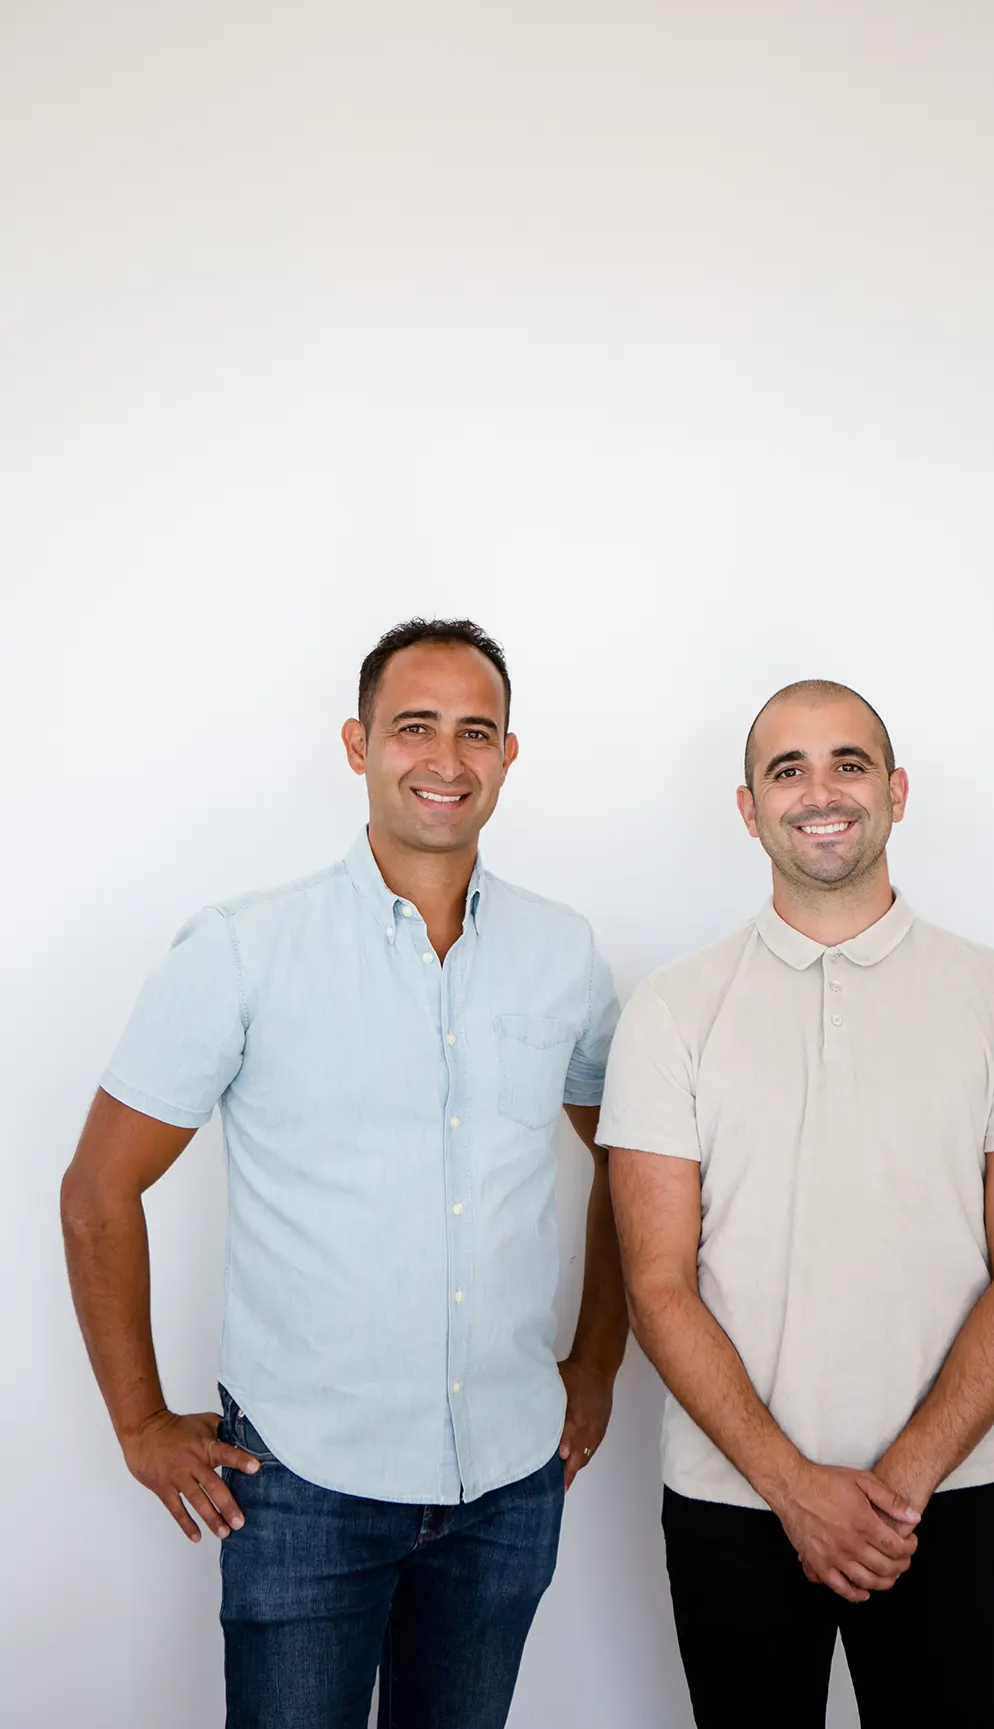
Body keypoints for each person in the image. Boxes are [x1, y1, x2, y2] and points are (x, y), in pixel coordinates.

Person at [61, 617, 627, 1729]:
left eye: (477, 731)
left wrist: (597, 1363)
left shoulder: (564, 953)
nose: (446, 760)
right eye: (415, 727)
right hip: (304, 1486)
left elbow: (630, 1168)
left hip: (510, 1486)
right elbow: (98, 1188)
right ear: (357, 744)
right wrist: (139, 1423)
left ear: (510, 754)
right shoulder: (242, 949)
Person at [598, 679, 994, 1729]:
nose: (820, 791)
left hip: (942, 1506)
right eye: (787, 769)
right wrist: (794, 1490)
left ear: (896, 792)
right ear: (748, 808)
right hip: (733, 1503)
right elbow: (655, 1284)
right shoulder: (672, 1010)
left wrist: (893, 1492)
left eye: (848, 763)